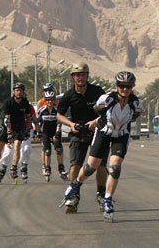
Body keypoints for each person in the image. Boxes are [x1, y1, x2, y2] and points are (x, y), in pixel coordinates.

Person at [63, 71, 141, 222]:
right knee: (91, 167)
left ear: (132, 87)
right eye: (121, 86)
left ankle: (108, 199)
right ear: (116, 86)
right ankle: (76, 184)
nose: (125, 89)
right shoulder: (107, 99)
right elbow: (97, 111)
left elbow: (135, 116)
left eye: (128, 86)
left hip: (122, 135)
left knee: (115, 168)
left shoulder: (136, 103)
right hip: (104, 133)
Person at [57, 62, 107, 212]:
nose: (80, 78)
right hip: (78, 133)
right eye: (77, 75)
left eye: (83, 75)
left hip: (97, 132)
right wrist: (71, 124)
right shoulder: (69, 95)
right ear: (73, 77)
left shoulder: (97, 91)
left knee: (101, 165)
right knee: (75, 166)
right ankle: (74, 195)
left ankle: (101, 194)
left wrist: (95, 122)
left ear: (87, 76)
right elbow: (58, 115)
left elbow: (107, 111)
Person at [0, 82, 33, 183]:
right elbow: (7, 120)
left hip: (19, 127)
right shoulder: (8, 102)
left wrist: (27, 131)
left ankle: (13, 168)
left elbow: (29, 118)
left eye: (20, 90)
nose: (19, 92)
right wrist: (9, 134)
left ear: (23, 92)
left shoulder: (25, 103)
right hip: (8, 127)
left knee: (17, 146)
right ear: (13, 91)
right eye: (17, 90)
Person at [0, 96, 39, 183]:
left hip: (26, 130)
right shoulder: (11, 106)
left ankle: (24, 167)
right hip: (14, 130)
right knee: (8, 151)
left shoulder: (28, 106)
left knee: (26, 149)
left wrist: (38, 131)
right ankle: (3, 169)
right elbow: (7, 120)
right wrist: (9, 135)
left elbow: (34, 119)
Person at [37, 90, 68, 181]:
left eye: (51, 100)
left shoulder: (57, 110)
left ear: (54, 100)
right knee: (47, 151)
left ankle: (61, 168)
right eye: (48, 100)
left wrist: (57, 134)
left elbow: (59, 122)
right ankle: (47, 168)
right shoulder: (42, 110)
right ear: (45, 101)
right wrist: (38, 133)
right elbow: (37, 122)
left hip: (55, 131)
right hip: (45, 132)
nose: (50, 102)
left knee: (59, 150)